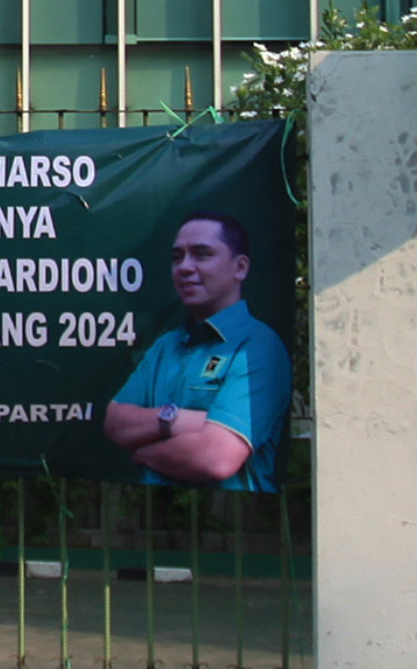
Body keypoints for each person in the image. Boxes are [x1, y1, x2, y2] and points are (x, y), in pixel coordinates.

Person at [103, 211, 288, 492]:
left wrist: (144, 452)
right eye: (177, 257)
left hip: (234, 522)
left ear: (240, 267)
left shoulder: (259, 347)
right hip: (152, 521)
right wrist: (177, 419)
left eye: (201, 254)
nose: (185, 267)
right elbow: (115, 423)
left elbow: (215, 458)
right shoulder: (166, 346)